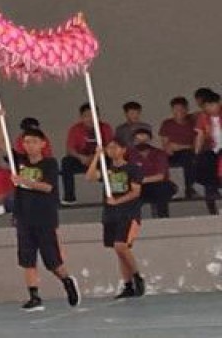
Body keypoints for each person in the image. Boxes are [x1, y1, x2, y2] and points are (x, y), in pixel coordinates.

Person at [0, 117, 80, 312]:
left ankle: (66, 280)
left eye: (33, 141)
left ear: (42, 144)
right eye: (26, 142)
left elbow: (47, 187)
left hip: (44, 217)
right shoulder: (20, 161)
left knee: (52, 261)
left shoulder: (49, 163)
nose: (29, 145)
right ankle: (34, 296)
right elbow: (0, 143)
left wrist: (24, 181)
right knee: (27, 259)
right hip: (24, 216)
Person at [86, 138, 144, 299]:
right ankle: (128, 285)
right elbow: (89, 177)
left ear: (123, 150)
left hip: (128, 213)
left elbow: (135, 192)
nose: (111, 150)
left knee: (121, 246)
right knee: (119, 251)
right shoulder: (107, 169)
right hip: (111, 214)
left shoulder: (133, 169)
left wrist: (117, 201)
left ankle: (137, 276)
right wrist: (97, 156)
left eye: (115, 147)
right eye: (109, 148)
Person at [61, 104, 113, 204]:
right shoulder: (75, 129)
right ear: (81, 117)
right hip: (82, 160)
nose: (90, 119)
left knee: (112, 162)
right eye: (87, 116)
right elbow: (70, 149)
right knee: (66, 162)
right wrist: (81, 157)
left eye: (93, 115)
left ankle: (108, 196)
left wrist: (95, 157)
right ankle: (69, 197)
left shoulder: (105, 128)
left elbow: (110, 147)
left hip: (100, 160)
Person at [130, 128, 174, 218]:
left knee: (162, 189)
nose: (141, 142)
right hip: (137, 187)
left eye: (144, 140)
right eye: (138, 140)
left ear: (150, 140)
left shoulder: (159, 153)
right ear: (134, 141)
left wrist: (140, 180)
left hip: (157, 185)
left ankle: (163, 219)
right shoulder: (128, 155)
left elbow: (160, 176)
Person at [159, 96, 198, 198]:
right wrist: (170, 148)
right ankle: (165, 189)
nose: (178, 112)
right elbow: (165, 145)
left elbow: (197, 144)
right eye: (175, 109)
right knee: (159, 159)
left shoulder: (192, 123)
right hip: (172, 154)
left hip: (188, 152)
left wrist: (181, 146)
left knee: (188, 156)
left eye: (181, 109)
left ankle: (189, 188)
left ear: (186, 109)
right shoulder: (167, 123)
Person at [191, 89, 221, 213]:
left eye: (212, 105)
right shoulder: (202, 117)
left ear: (218, 103)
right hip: (213, 149)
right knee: (204, 161)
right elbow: (200, 135)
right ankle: (211, 203)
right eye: (206, 106)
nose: (209, 108)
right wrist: (197, 153)